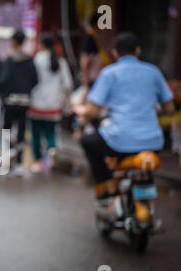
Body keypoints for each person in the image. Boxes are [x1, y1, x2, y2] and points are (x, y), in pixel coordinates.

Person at [73, 32, 175, 214]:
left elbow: (93, 109)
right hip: (154, 143)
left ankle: (105, 189)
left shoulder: (109, 73)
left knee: (88, 141)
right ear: (138, 50)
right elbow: (169, 108)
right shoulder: (154, 72)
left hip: (119, 142)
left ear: (114, 53)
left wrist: (82, 112)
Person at [29, 33, 73, 173]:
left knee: (36, 134)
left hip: (36, 103)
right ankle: (52, 152)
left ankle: (37, 161)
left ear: (41, 44)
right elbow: (68, 84)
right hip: (54, 105)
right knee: (50, 133)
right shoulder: (61, 62)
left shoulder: (37, 60)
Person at [0, 30, 38, 175]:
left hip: (10, 101)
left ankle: (6, 160)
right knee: (22, 132)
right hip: (25, 101)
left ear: (13, 41)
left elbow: (3, 79)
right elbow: (35, 79)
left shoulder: (10, 60)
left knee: (6, 130)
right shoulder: (29, 60)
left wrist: (5, 94)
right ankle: (19, 163)